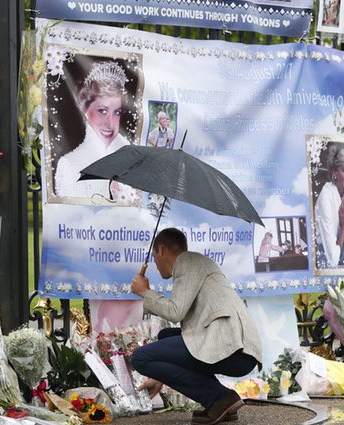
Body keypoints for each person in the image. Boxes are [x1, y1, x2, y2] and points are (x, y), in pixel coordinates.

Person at [130, 228, 262, 425]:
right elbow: (181, 318)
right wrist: (160, 374)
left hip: (233, 348)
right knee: (166, 335)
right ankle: (220, 403)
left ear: (162, 250)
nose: (155, 264)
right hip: (236, 347)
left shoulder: (187, 262)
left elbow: (176, 312)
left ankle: (220, 398)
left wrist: (145, 292)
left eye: (154, 256)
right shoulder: (196, 263)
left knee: (140, 358)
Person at [54, 61, 134, 201]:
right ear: (85, 111)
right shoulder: (68, 165)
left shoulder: (129, 160)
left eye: (116, 112)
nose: (110, 123)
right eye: (102, 111)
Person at [314, 144, 344, 269]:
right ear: (334, 172)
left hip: (340, 246)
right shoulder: (326, 198)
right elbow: (333, 260)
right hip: (325, 256)